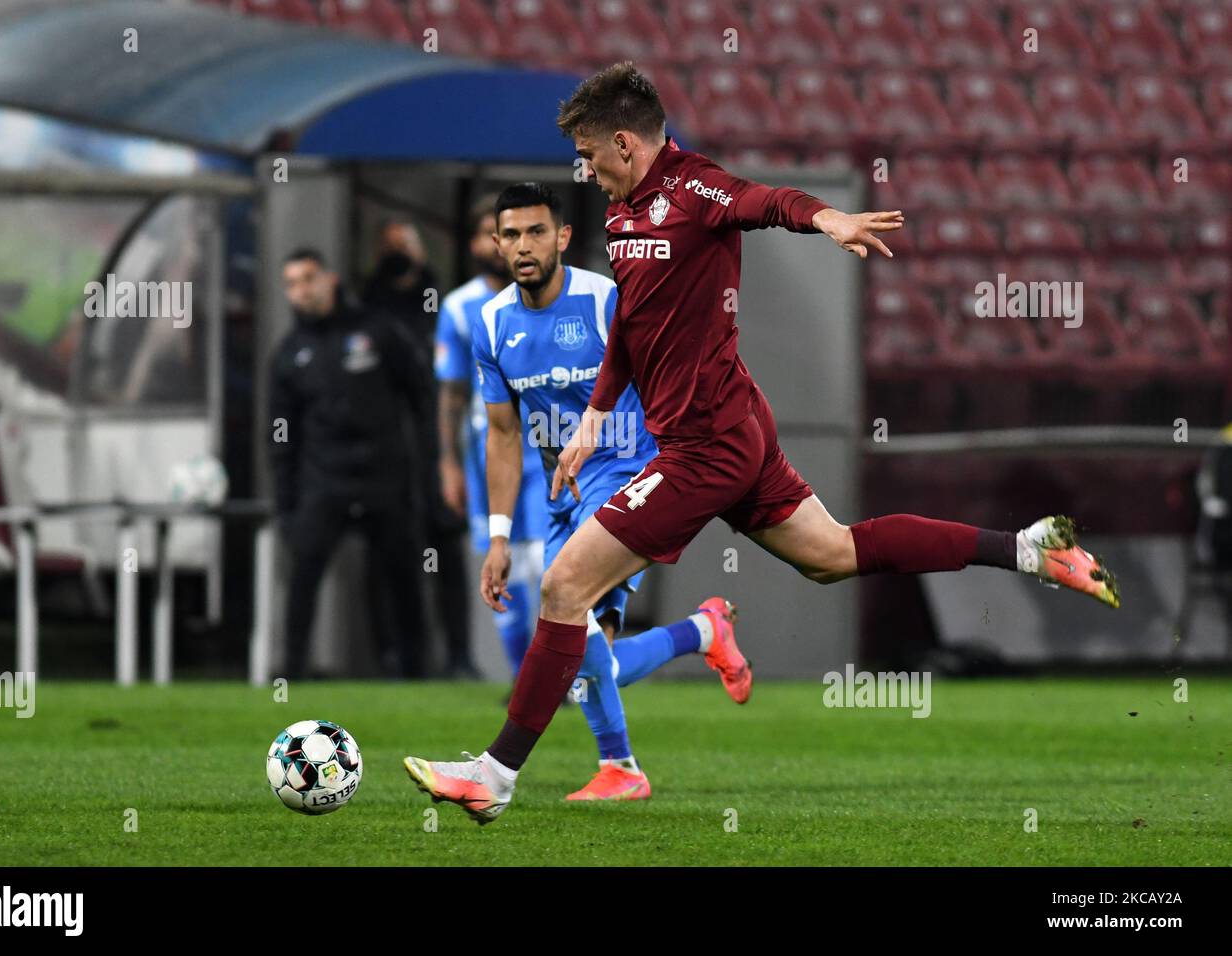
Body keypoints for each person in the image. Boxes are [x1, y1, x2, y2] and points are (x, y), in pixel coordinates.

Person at [404, 63, 1120, 824]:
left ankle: (495, 775)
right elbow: (632, 331)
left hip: (705, 445)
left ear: (623, 142)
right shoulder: (621, 218)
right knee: (833, 554)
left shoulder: (692, 188)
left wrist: (830, 221)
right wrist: (594, 415)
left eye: (588, 153)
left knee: (561, 587)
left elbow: (767, 201)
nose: (583, 169)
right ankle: (1032, 550)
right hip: (733, 429)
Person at [408, 182, 754, 804]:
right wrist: (497, 535)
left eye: (537, 231)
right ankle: (703, 633)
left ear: (563, 237)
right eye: (510, 234)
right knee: (591, 664)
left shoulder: (604, 300)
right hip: (558, 493)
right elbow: (505, 434)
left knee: (575, 618)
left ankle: (615, 767)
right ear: (494, 244)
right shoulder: (490, 325)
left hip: (631, 477)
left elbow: (664, 383)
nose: (523, 245)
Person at [269, 248, 430, 679]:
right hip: (324, 481)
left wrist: (426, 470)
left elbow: (419, 395)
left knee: (400, 576)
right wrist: (286, 505)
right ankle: (291, 670)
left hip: (384, 476)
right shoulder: (289, 353)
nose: (301, 291)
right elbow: (281, 436)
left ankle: (414, 670)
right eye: (292, 284)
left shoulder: (376, 331)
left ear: (330, 279)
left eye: (307, 279)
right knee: (303, 575)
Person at [435, 197, 549, 679]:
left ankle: (559, 674)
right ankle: (524, 676)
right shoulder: (460, 308)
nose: (501, 243)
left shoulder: (559, 297)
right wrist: (448, 463)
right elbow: (452, 393)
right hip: (487, 452)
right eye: (491, 233)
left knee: (551, 562)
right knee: (503, 564)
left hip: (547, 449)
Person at [366, 219, 477, 677]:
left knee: (446, 553)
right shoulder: (369, 312)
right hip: (387, 456)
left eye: (406, 244)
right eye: (390, 246)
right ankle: (400, 658)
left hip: (437, 450)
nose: (399, 254)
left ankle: (457, 656)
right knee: (390, 560)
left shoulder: (443, 307)